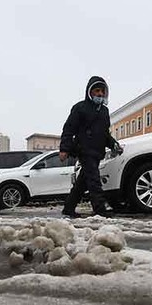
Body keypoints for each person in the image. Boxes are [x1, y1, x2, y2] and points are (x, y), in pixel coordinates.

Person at [59, 75, 122, 217]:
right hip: (84, 150)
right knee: (94, 181)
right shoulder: (80, 108)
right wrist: (64, 149)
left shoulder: (104, 111)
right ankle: (100, 211)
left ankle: (68, 208)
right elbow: (68, 129)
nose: (100, 94)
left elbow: (105, 134)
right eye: (97, 91)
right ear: (89, 92)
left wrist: (114, 145)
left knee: (82, 182)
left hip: (97, 152)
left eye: (102, 91)